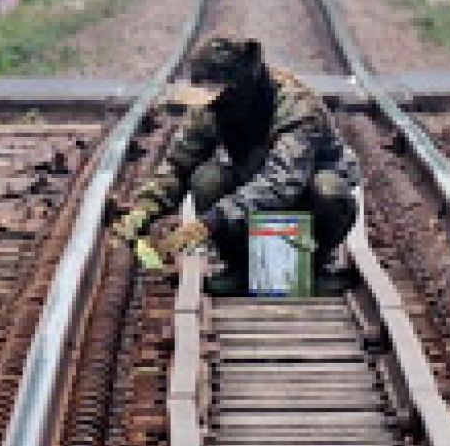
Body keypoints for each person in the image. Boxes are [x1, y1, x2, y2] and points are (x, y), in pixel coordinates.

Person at [115, 35, 361, 294]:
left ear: (241, 85)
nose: (214, 104)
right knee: (206, 179)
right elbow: (178, 165)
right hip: (254, 190)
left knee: (328, 189)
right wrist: (144, 210)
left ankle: (313, 265)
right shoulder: (210, 108)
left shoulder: (296, 105)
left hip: (304, 195)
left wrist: (213, 220)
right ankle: (240, 267)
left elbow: (283, 182)